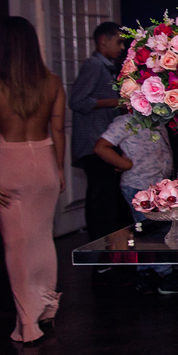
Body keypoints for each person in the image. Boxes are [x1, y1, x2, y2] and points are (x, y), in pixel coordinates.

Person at [0, 16, 64, 343]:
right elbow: (58, 130)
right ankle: (47, 308)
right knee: (42, 239)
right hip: (45, 164)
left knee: (17, 245)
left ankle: (27, 323)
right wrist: (59, 170)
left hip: (10, 166)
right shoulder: (52, 82)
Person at [94, 115, 178, 293]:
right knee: (151, 231)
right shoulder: (126, 122)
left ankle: (146, 272)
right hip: (138, 185)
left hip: (158, 185)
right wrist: (124, 164)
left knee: (152, 229)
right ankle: (164, 274)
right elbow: (101, 147)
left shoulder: (157, 119)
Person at [69, 21, 132, 242]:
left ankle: (108, 247)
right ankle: (98, 250)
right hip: (93, 142)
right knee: (100, 199)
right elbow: (77, 101)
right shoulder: (94, 65)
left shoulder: (106, 67)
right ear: (103, 40)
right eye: (119, 42)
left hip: (101, 140)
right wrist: (115, 102)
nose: (122, 47)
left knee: (106, 198)